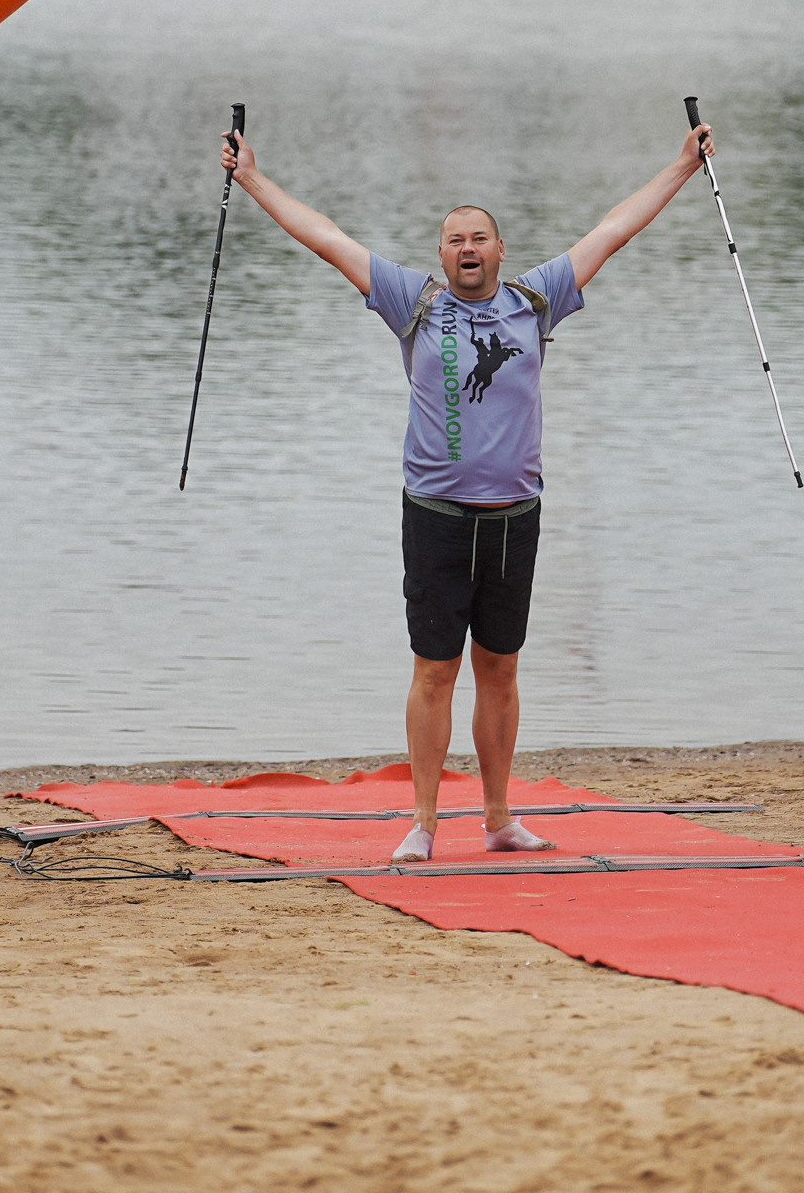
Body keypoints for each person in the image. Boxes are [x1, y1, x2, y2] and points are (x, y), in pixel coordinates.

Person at [220, 117, 717, 861]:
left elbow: (613, 229)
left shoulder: (536, 299)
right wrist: (251, 178)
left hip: (515, 517)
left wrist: (683, 165)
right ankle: (422, 823)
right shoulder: (412, 302)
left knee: (502, 669)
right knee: (433, 672)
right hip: (436, 518)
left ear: (500, 250)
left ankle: (497, 816)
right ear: (442, 255)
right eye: (455, 239)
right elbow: (324, 237)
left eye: (479, 237)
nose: (468, 249)